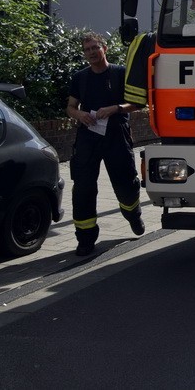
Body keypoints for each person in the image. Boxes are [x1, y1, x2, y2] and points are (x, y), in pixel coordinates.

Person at [65, 32, 145, 256]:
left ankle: (133, 214)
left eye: (94, 48)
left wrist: (116, 108)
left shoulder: (120, 73)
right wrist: (79, 115)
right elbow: (70, 106)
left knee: (125, 182)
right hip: (88, 137)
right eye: (87, 49)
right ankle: (85, 238)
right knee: (82, 187)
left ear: (104, 49)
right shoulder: (80, 77)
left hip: (116, 135)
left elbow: (138, 102)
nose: (91, 52)